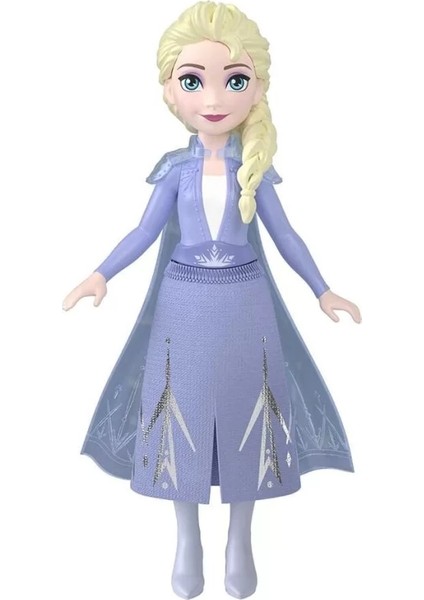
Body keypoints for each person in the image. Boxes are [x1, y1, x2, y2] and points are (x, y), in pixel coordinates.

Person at [63, 2, 361, 598]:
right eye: (194, 81)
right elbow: (144, 231)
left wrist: (322, 288)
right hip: (183, 307)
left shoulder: (257, 170)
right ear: (171, 92)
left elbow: (286, 236)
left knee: (250, 410)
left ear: (258, 89)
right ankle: (186, 536)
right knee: (182, 411)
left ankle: (240, 536)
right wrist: (101, 273)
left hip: (247, 305)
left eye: (236, 80)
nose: (216, 97)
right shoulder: (175, 170)